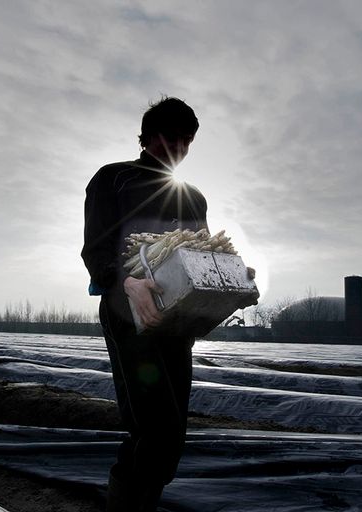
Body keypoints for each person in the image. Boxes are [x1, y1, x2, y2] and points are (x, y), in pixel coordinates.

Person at [81, 97, 206, 511]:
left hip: (178, 321)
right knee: (154, 427)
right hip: (127, 312)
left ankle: (139, 502)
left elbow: (200, 256)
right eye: (172, 137)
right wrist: (125, 283)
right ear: (149, 136)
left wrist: (231, 282)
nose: (180, 148)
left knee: (172, 437)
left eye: (188, 140)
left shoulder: (193, 197)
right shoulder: (114, 179)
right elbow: (96, 250)